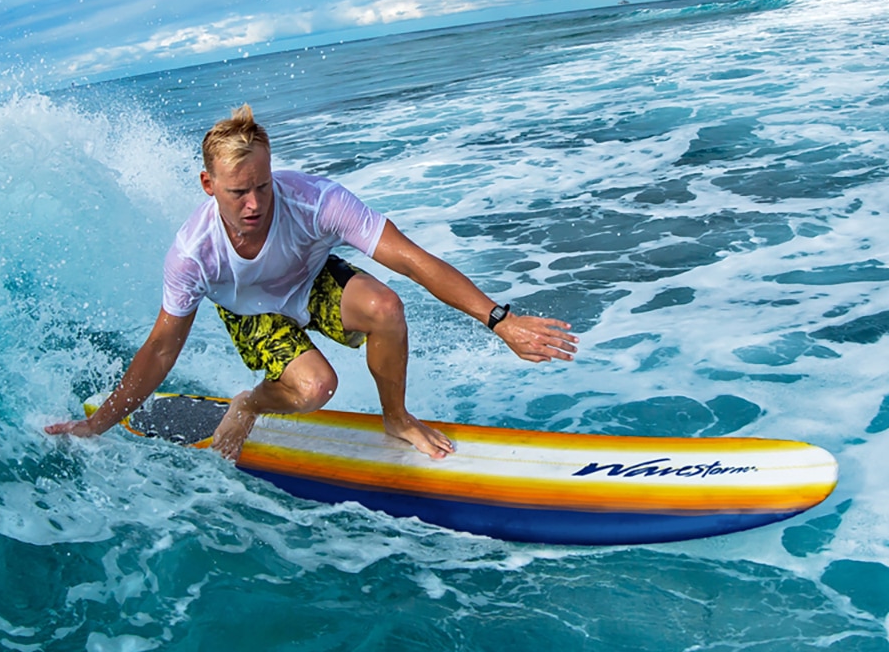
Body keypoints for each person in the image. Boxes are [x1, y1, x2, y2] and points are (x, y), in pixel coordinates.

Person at [46, 105, 577, 459]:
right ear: (208, 185)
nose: (253, 204)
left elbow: (411, 260)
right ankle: (248, 404)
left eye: (261, 185)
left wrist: (500, 321)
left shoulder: (314, 201)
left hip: (311, 279)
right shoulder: (194, 254)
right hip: (251, 311)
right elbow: (162, 349)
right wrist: (97, 426)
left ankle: (398, 418)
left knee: (386, 307)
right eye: (236, 193)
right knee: (318, 387)